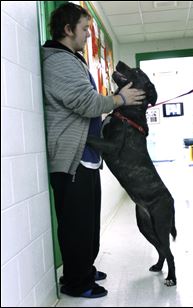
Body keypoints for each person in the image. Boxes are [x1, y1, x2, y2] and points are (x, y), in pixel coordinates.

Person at [42, 3, 145, 298]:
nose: (88, 35)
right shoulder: (58, 61)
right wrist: (120, 99)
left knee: (87, 223)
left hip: (86, 157)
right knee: (76, 226)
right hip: (71, 159)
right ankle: (76, 282)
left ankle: (83, 269)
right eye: (85, 28)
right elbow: (86, 103)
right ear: (67, 29)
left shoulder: (70, 59)